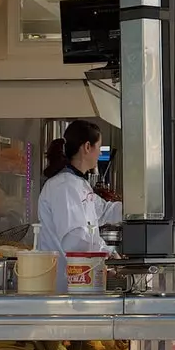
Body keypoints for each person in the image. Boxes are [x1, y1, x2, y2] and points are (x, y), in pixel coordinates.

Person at [37, 120, 120, 292]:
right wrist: (105, 254)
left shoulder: (79, 184)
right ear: (87, 147)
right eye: (99, 146)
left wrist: (136, 211)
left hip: (79, 284)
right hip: (63, 286)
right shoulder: (64, 186)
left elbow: (103, 211)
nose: (99, 153)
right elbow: (75, 240)